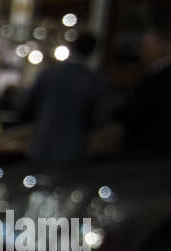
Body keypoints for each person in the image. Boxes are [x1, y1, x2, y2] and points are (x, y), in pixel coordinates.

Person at [15, 32, 105, 168]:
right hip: (74, 149)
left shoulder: (50, 74)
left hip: (43, 144)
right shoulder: (94, 81)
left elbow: (23, 104)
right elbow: (100, 118)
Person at [117, 28, 171, 159]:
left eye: (147, 46)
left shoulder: (163, 79)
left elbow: (138, 109)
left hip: (151, 148)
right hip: (165, 148)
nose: (142, 51)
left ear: (160, 48)